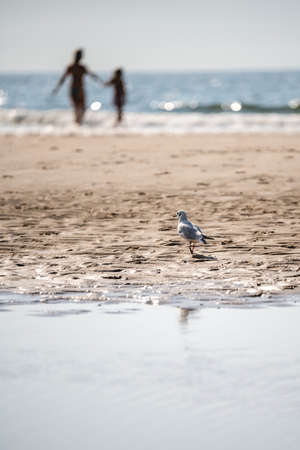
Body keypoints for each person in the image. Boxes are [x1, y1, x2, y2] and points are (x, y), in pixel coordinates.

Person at [52, 49, 102, 125]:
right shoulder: (78, 67)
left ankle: (77, 122)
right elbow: (91, 75)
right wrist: (100, 81)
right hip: (78, 89)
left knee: (77, 107)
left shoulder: (74, 67)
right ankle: (78, 122)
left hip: (74, 89)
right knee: (80, 107)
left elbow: (63, 78)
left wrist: (57, 88)